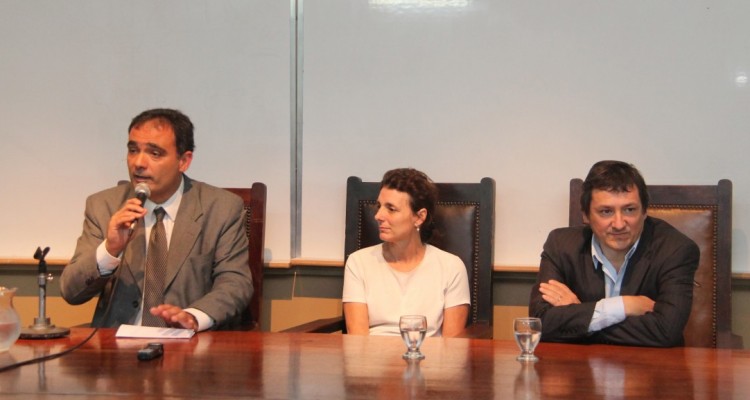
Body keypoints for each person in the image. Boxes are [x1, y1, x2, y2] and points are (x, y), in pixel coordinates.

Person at [60, 108, 253, 331]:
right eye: (133, 150)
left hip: (188, 347)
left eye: (155, 153)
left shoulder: (222, 208)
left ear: (184, 161)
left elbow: (235, 283)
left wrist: (193, 317)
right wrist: (110, 249)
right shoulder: (103, 206)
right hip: (116, 351)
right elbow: (71, 292)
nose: (138, 163)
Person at [529, 160, 699, 347]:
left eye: (629, 210)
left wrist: (580, 316)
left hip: (650, 370)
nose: (619, 224)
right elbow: (540, 323)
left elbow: (666, 331)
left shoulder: (676, 250)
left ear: (644, 211)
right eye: (606, 211)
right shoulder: (561, 245)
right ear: (586, 215)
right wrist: (622, 306)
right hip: (580, 370)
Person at [342, 168, 470, 337]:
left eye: (391, 209)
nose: (378, 216)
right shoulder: (358, 263)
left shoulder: (451, 267)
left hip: (429, 360)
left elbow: (452, 348)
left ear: (419, 217)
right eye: (379, 206)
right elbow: (357, 341)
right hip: (371, 360)